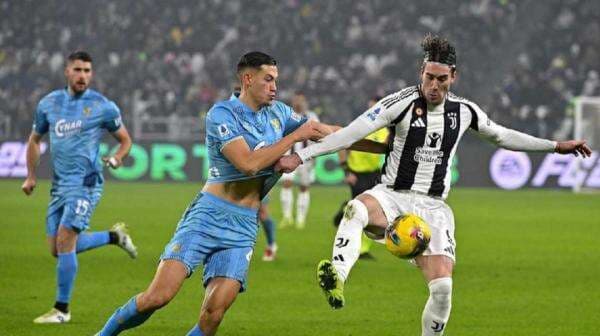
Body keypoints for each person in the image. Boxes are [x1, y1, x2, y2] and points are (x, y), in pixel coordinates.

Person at [275, 35, 592, 336]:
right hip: (391, 196)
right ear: (421, 72)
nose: (434, 85)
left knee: (442, 290)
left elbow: (502, 135)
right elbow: (351, 133)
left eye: (442, 79)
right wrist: (302, 157)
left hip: (434, 208)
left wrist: (555, 146)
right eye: (429, 77)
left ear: (453, 76)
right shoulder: (399, 103)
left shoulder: (465, 111)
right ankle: (337, 277)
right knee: (356, 208)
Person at [94, 51, 331, 336]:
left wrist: (379, 137)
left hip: (244, 225)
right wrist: (295, 137)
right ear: (247, 78)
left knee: (213, 314)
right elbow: (248, 164)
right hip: (208, 215)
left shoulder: (279, 112)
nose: (274, 87)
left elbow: (324, 130)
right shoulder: (222, 114)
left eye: (276, 80)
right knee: (158, 297)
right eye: (268, 79)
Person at [21, 51, 136, 324]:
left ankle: (62, 310)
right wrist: (30, 176)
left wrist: (118, 158)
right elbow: (35, 140)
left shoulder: (103, 106)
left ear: (91, 74)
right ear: (67, 71)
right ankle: (114, 237)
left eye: (87, 70)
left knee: (64, 240)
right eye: (78, 70)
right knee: (56, 248)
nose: (83, 75)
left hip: (86, 183)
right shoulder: (49, 104)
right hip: (59, 186)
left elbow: (125, 139)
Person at [334, 95, 389, 259]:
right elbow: (341, 146)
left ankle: (363, 249)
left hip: (374, 174)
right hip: (356, 174)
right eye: (371, 107)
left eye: (376, 107)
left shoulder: (385, 129)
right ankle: (358, 248)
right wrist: (346, 171)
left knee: (370, 211)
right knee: (362, 209)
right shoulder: (359, 126)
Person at [279, 92, 320, 229]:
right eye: (296, 100)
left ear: (305, 102)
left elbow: (318, 136)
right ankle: (287, 217)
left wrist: (315, 155)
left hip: (306, 158)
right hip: (287, 157)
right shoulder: (285, 115)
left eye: (301, 100)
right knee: (286, 183)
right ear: (292, 101)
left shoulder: (311, 117)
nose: (298, 103)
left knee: (304, 188)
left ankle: (301, 219)